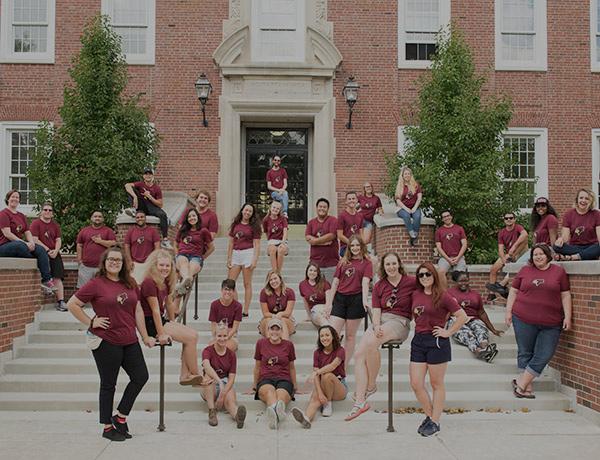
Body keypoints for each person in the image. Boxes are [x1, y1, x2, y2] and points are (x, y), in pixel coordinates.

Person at [66, 246, 152, 441]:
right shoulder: (96, 284)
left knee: (141, 376)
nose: (114, 262)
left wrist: (145, 336)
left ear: (123, 264)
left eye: (118, 260)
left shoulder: (130, 283)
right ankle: (107, 427)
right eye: (111, 259)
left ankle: (120, 417)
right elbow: (73, 304)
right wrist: (90, 321)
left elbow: (138, 310)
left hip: (129, 339)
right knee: (108, 385)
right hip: (107, 341)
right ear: (104, 262)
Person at [347, 252, 414, 420]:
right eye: (387, 264)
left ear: (399, 264)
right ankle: (360, 402)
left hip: (399, 321)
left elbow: (428, 291)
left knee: (371, 343)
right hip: (381, 321)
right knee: (358, 354)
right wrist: (376, 326)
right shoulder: (379, 286)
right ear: (383, 267)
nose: (391, 267)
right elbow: (376, 311)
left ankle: (371, 385)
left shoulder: (411, 282)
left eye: (393, 263)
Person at [409, 261, 468, 437]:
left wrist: (448, 332)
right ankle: (430, 416)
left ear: (434, 276)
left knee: (436, 384)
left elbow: (462, 316)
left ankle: (435, 421)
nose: (425, 277)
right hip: (418, 341)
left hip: (436, 342)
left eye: (428, 274)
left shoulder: (443, 296)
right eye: (421, 275)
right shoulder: (415, 294)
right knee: (416, 383)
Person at [505, 244, 572, 399]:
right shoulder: (524, 271)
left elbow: (565, 295)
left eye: (541, 254)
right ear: (531, 257)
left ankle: (520, 383)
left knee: (545, 354)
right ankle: (526, 388)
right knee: (525, 352)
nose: (538, 257)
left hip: (552, 322)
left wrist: (567, 316)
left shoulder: (558, 272)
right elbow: (513, 291)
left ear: (548, 255)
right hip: (523, 319)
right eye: (535, 254)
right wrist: (508, 311)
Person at [140, 249, 209, 386]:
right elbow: (154, 310)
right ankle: (196, 375)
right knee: (190, 338)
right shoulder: (149, 282)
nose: (165, 268)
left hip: (160, 319)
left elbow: (170, 303)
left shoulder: (165, 281)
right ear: (154, 265)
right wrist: (161, 334)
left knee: (193, 335)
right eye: (161, 265)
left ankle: (185, 375)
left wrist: (172, 322)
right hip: (151, 323)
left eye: (168, 265)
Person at [325, 235, 373, 362]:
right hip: (340, 299)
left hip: (356, 300)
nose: (355, 248)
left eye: (358, 245)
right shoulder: (343, 262)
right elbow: (335, 282)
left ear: (362, 246)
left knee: (350, 336)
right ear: (349, 248)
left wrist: (364, 300)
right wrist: (329, 303)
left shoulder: (367, 263)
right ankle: (331, 362)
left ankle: (343, 367)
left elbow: (365, 282)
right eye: (353, 246)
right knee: (332, 332)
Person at [0, 190, 56, 292]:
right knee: (20, 246)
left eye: (17, 197)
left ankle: (46, 280)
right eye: (12, 197)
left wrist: (31, 243)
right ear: (8, 199)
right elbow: (7, 234)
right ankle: (37, 259)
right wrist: (25, 243)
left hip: (18, 244)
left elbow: (27, 231)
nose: (15, 199)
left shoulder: (21, 215)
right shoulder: (3, 214)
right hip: (4, 246)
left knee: (40, 249)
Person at [292, 325, 347, 428]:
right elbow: (317, 376)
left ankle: (328, 404)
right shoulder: (317, 353)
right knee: (315, 399)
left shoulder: (340, 350)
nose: (324, 338)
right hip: (323, 384)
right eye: (322, 336)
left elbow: (332, 366)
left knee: (327, 376)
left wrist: (316, 372)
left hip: (339, 387)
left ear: (333, 336)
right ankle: (306, 419)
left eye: (327, 335)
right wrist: (320, 394)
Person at [447, 271, 503, 362]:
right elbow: (445, 311)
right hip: (456, 319)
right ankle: (479, 351)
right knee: (467, 333)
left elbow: (481, 313)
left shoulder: (475, 295)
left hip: (473, 319)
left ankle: (485, 348)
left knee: (480, 328)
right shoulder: (449, 293)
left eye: (466, 280)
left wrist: (493, 329)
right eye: (461, 281)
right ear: (456, 281)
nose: (464, 283)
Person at [252, 317, 297, 430]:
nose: (275, 332)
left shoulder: (288, 345)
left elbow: (291, 367)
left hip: (284, 378)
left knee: (281, 395)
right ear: (268, 331)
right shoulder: (261, 343)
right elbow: (257, 366)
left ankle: (274, 413)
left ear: (281, 331)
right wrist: (254, 385)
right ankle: (276, 412)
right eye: (272, 329)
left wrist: (295, 386)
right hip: (266, 378)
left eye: (277, 329)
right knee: (269, 392)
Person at [201, 325, 247, 428]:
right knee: (208, 378)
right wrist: (219, 381)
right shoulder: (207, 350)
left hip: (225, 383)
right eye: (219, 336)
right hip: (211, 386)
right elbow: (207, 366)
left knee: (230, 400)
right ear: (215, 336)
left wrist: (222, 395)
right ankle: (212, 411)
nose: (222, 339)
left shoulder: (231, 355)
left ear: (228, 336)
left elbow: (232, 378)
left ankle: (237, 417)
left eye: (225, 336)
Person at [227, 203, 261, 317]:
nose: (247, 213)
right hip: (236, 254)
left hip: (248, 253)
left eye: (250, 211)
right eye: (246, 210)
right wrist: (229, 258)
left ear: (252, 214)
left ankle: (245, 310)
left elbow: (257, 244)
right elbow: (231, 243)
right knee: (230, 283)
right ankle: (236, 306)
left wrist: (254, 260)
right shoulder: (235, 224)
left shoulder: (254, 226)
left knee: (247, 283)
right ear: (242, 211)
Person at [124, 168, 171, 249]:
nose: (148, 176)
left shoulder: (156, 188)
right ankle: (133, 209)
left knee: (163, 215)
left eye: (149, 174)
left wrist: (150, 197)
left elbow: (160, 204)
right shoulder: (140, 184)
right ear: (143, 176)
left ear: (152, 176)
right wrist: (134, 196)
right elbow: (127, 185)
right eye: (146, 174)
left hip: (152, 206)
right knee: (132, 189)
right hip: (142, 206)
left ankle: (165, 240)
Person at [486, 212, 528, 300]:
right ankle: (492, 293)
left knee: (524, 240)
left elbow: (525, 234)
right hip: (509, 254)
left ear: (514, 219)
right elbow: (500, 248)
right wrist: (503, 259)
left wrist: (514, 247)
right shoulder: (502, 232)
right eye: (506, 218)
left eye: (511, 218)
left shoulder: (518, 227)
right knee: (493, 269)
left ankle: (503, 285)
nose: (509, 220)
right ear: (504, 220)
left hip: (521, 253)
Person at [30, 201, 64, 308]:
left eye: (50, 210)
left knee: (57, 277)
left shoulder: (55, 225)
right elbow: (35, 239)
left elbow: (58, 240)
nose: (47, 212)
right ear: (41, 212)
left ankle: (61, 302)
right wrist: (48, 250)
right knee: (44, 276)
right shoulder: (35, 223)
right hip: (42, 253)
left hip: (54, 253)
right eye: (45, 210)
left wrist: (56, 250)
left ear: (52, 213)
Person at [174, 208, 214, 295]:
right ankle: (185, 281)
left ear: (198, 217)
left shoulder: (203, 231)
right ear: (187, 219)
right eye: (189, 217)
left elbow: (212, 248)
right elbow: (175, 243)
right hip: (182, 254)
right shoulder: (183, 230)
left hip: (196, 256)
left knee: (191, 269)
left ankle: (183, 284)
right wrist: (176, 254)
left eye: (193, 216)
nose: (192, 218)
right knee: (183, 264)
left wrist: (203, 257)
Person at [554, 188, 600, 261]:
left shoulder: (596, 214)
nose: (583, 201)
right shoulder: (569, 214)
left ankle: (574, 257)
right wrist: (561, 239)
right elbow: (565, 237)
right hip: (574, 247)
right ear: (577, 200)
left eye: (587, 199)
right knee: (556, 246)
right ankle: (587, 255)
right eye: (581, 198)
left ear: (591, 201)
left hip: (591, 246)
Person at [76, 211, 117, 289]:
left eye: (99, 217)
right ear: (91, 218)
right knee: (84, 290)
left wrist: (100, 241)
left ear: (103, 219)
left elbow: (113, 244)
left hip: (102, 267)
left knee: (103, 289)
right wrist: (79, 260)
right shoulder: (84, 231)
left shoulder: (108, 231)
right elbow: (79, 245)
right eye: (95, 216)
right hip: (86, 267)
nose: (97, 218)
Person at [305, 198, 339, 281]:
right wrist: (323, 242)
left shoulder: (333, 220)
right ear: (316, 208)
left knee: (331, 290)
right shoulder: (311, 222)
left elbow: (331, 235)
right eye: (320, 206)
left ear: (328, 209)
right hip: (314, 264)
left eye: (324, 207)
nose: (322, 209)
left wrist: (315, 241)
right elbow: (308, 237)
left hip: (331, 264)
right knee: (314, 290)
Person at [123, 210, 160, 282]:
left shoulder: (152, 231)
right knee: (135, 284)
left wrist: (153, 261)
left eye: (142, 217)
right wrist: (129, 261)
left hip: (148, 263)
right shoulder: (131, 231)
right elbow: (126, 246)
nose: (140, 219)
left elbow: (157, 247)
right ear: (136, 219)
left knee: (147, 284)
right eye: (138, 217)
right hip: (135, 264)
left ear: (145, 218)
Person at [259, 271, 296, 340]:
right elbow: (265, 313)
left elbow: (288, 313)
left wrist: (280, 314)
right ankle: (270, 348)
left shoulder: (289, 292)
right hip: (269, 317)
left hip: (285, 318)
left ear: (280, 279)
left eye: (275, 278)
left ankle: (285, 347)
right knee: (269, 321)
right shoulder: (264, 292)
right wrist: (274, 316)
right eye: (271, 280)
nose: (273, 281)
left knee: (282, 320)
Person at [208, 279, 243, 352]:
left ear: (233, 292)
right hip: (217, 333)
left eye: (230, 290)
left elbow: (235, 328)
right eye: (225, 289)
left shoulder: (238, 306)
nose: (227, 292)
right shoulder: (214, 304)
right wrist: (219, 337)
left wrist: (225, 338)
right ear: (221, 290)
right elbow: (213, 325)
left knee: (227, 348)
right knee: (211, 348)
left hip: (231, 334)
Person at [395, 166, 423, 246]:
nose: (407, 175)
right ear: (402, 176)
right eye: (405, 174)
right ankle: (412, 234)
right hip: (402, 208)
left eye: (408, 174)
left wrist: (414, 208)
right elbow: (398, 201)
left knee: (417, 216)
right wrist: (406, 209)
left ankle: (415, 235)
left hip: (414, 207)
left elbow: (419, 198)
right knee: (406, 216)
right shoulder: (400, 186)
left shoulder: (416, 185)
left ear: (411, 175)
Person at [435, 210, 468, 276]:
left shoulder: (459, 228)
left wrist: (458, 257)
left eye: (448, 216)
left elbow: (464, 244)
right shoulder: (439, 231)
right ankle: (443, 287)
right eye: (444, 217)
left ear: (451, 217)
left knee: (461, 276)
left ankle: (459, 287)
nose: (447, 218)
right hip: (445, 258)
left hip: (459, 257)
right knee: (440, 273)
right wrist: (448, 259)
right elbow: (439, 247)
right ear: (442, 219)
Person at [299, 263, 332, 328]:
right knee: (320, 317)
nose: (312, 272)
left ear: (318, 273)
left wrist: (327, 312)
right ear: (307, 271)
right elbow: (305, 302)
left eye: (315, 271)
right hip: (314, 312)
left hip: (325, 310)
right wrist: (309, 316)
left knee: (325, 317)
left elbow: (329, 300)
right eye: (310, 270)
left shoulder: (324, 283)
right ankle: (333, 333)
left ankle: (331, 333)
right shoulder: (302, 284)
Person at [262, 200, 289, 272]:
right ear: (270, 208)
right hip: (272, 241)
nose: (275, 209)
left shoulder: (283, 218)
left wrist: (283, 243)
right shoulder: (265, 220)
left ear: (280, 210)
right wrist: (269, 240)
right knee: (272, 249)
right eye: (274, 207)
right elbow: (265, 231)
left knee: (281, 249)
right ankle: (275, 272)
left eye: (277, 209)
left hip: (282, 240)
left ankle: (278, 273)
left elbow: (285, 231)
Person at [337, 191, 364, 257]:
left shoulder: (360, 216)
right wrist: (352, 243)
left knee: (371, 259)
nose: (351, 200)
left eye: (353, 198)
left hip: (357, 246)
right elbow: (340, 235)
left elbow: (361, 234)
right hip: (345, 247)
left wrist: (360, 245)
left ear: (357, 200)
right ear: (346, 201)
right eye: (349, 199)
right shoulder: (342, 216)